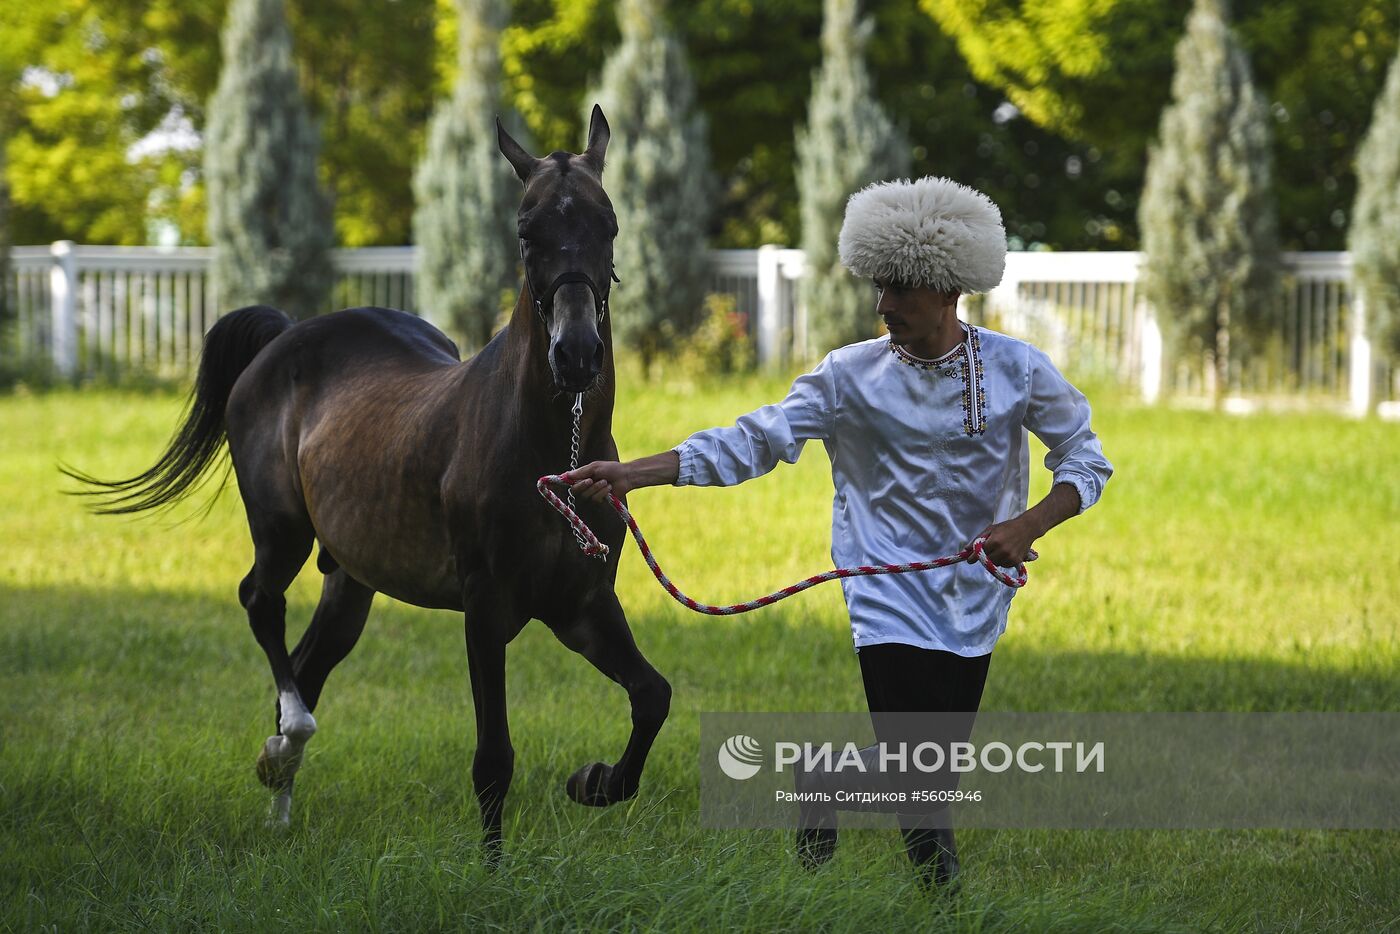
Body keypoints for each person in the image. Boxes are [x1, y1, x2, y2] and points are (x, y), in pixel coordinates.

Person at [567, 176, 1113, 888]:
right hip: (882, 590)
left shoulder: (1017, 369)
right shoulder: (848, 377)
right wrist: (637, 472)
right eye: (878, 287)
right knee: (923, 783)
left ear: (950, 290)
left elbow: (1086, 458)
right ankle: (949, 908)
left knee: (928, 770)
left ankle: (826, 785)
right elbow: (755, 439)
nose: (884, 304)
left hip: (977, 595)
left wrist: (1030, 522)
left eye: (902, 289)